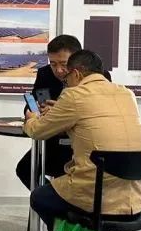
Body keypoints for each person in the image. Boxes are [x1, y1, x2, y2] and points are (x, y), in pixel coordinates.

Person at [24, 50, 141, 231]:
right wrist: (60, 111)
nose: (65, 83)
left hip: (97, 193)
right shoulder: (126, 94)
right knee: (73, 196)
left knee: (39, 198)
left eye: (66, 79)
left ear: (77, 73)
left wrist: (31, 118)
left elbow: (37, 131)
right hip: (134, 195)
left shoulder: (74, 95)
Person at [16, 35, 112, 190]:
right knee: (25, 169)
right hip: (51, 139)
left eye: (64, 64)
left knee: (67, 174)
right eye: (53, 64)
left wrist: (61, 111)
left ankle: (56, 198)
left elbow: (99, 111)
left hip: (83, 144)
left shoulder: (98, 76)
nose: (58, 70)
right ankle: (53, 197)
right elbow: (31, 103)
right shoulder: (44, 74)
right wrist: (36, 110)